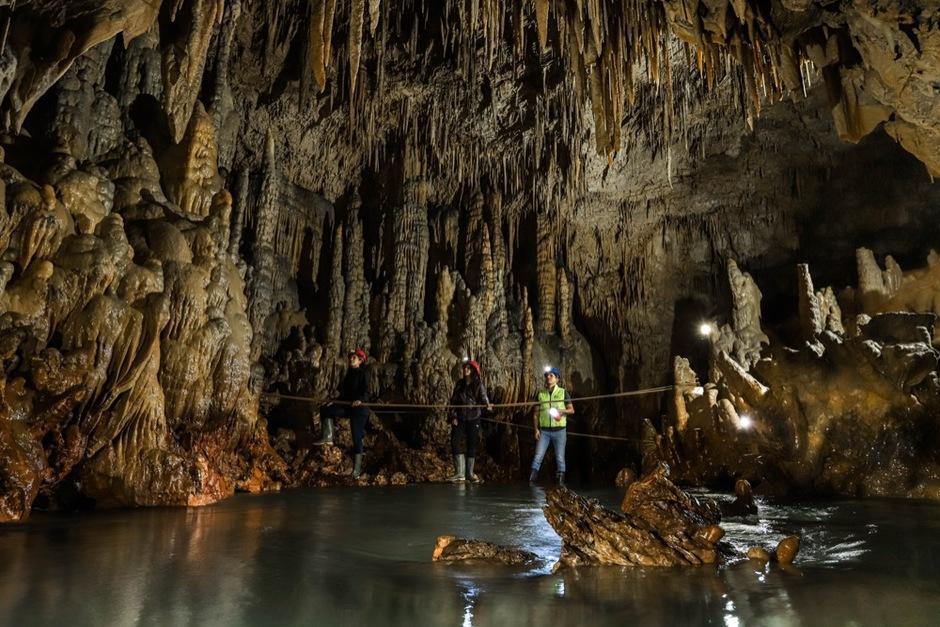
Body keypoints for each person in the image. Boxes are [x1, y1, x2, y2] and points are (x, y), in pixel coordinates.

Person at [315, 348, 371, 479]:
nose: (351, 359)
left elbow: (367, 391)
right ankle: (328, 437)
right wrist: (334, 401)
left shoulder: (364, 373)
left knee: (356, 438)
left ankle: (356, 471)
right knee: (326, 409)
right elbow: (345, 394)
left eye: (354, 357)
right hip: (348, 407)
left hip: (360, 410)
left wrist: (360, 400)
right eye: (351, 357)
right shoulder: (348, 374)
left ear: (360, 361)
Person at [447, 359, 493, 483]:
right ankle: (459, 473)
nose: (465, 369)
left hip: (474, 417)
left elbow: (483, 397)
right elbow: (453, 402)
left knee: (472, 445)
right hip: (460, 417)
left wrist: (487, 405)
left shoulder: (478, 384)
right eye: (465, 367)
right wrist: (453, 416)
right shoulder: (459, 384)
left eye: (468, 368)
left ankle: (469, 474)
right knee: (455, 441)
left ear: (473, 370)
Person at [529, 366, 574, 486]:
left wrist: (561, 411)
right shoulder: (541, 394)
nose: (548, 377)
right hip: (544, 431)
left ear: (557, 379)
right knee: (538, 456)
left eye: (551, 375)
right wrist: (536, 429)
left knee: (560, 458)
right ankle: (531, 482)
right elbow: (536, 414)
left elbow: (571, 410)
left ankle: (560, 485)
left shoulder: (563, 392)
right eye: (547, 375)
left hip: (559, 431)